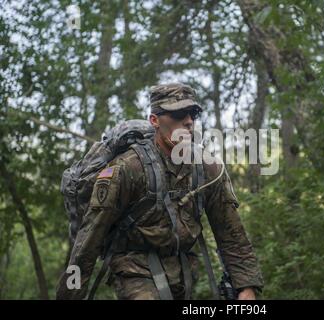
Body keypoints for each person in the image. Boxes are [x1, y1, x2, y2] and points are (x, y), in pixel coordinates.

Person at [56, 83, 263, 300]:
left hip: (184, 270)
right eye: (178, 114)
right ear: (154, 120)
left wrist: (246, 286)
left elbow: (230, 232)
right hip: (134, 269)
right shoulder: (127, 169)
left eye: (192, 114)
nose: (188, 121)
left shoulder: (206, 167)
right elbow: (88, 241)